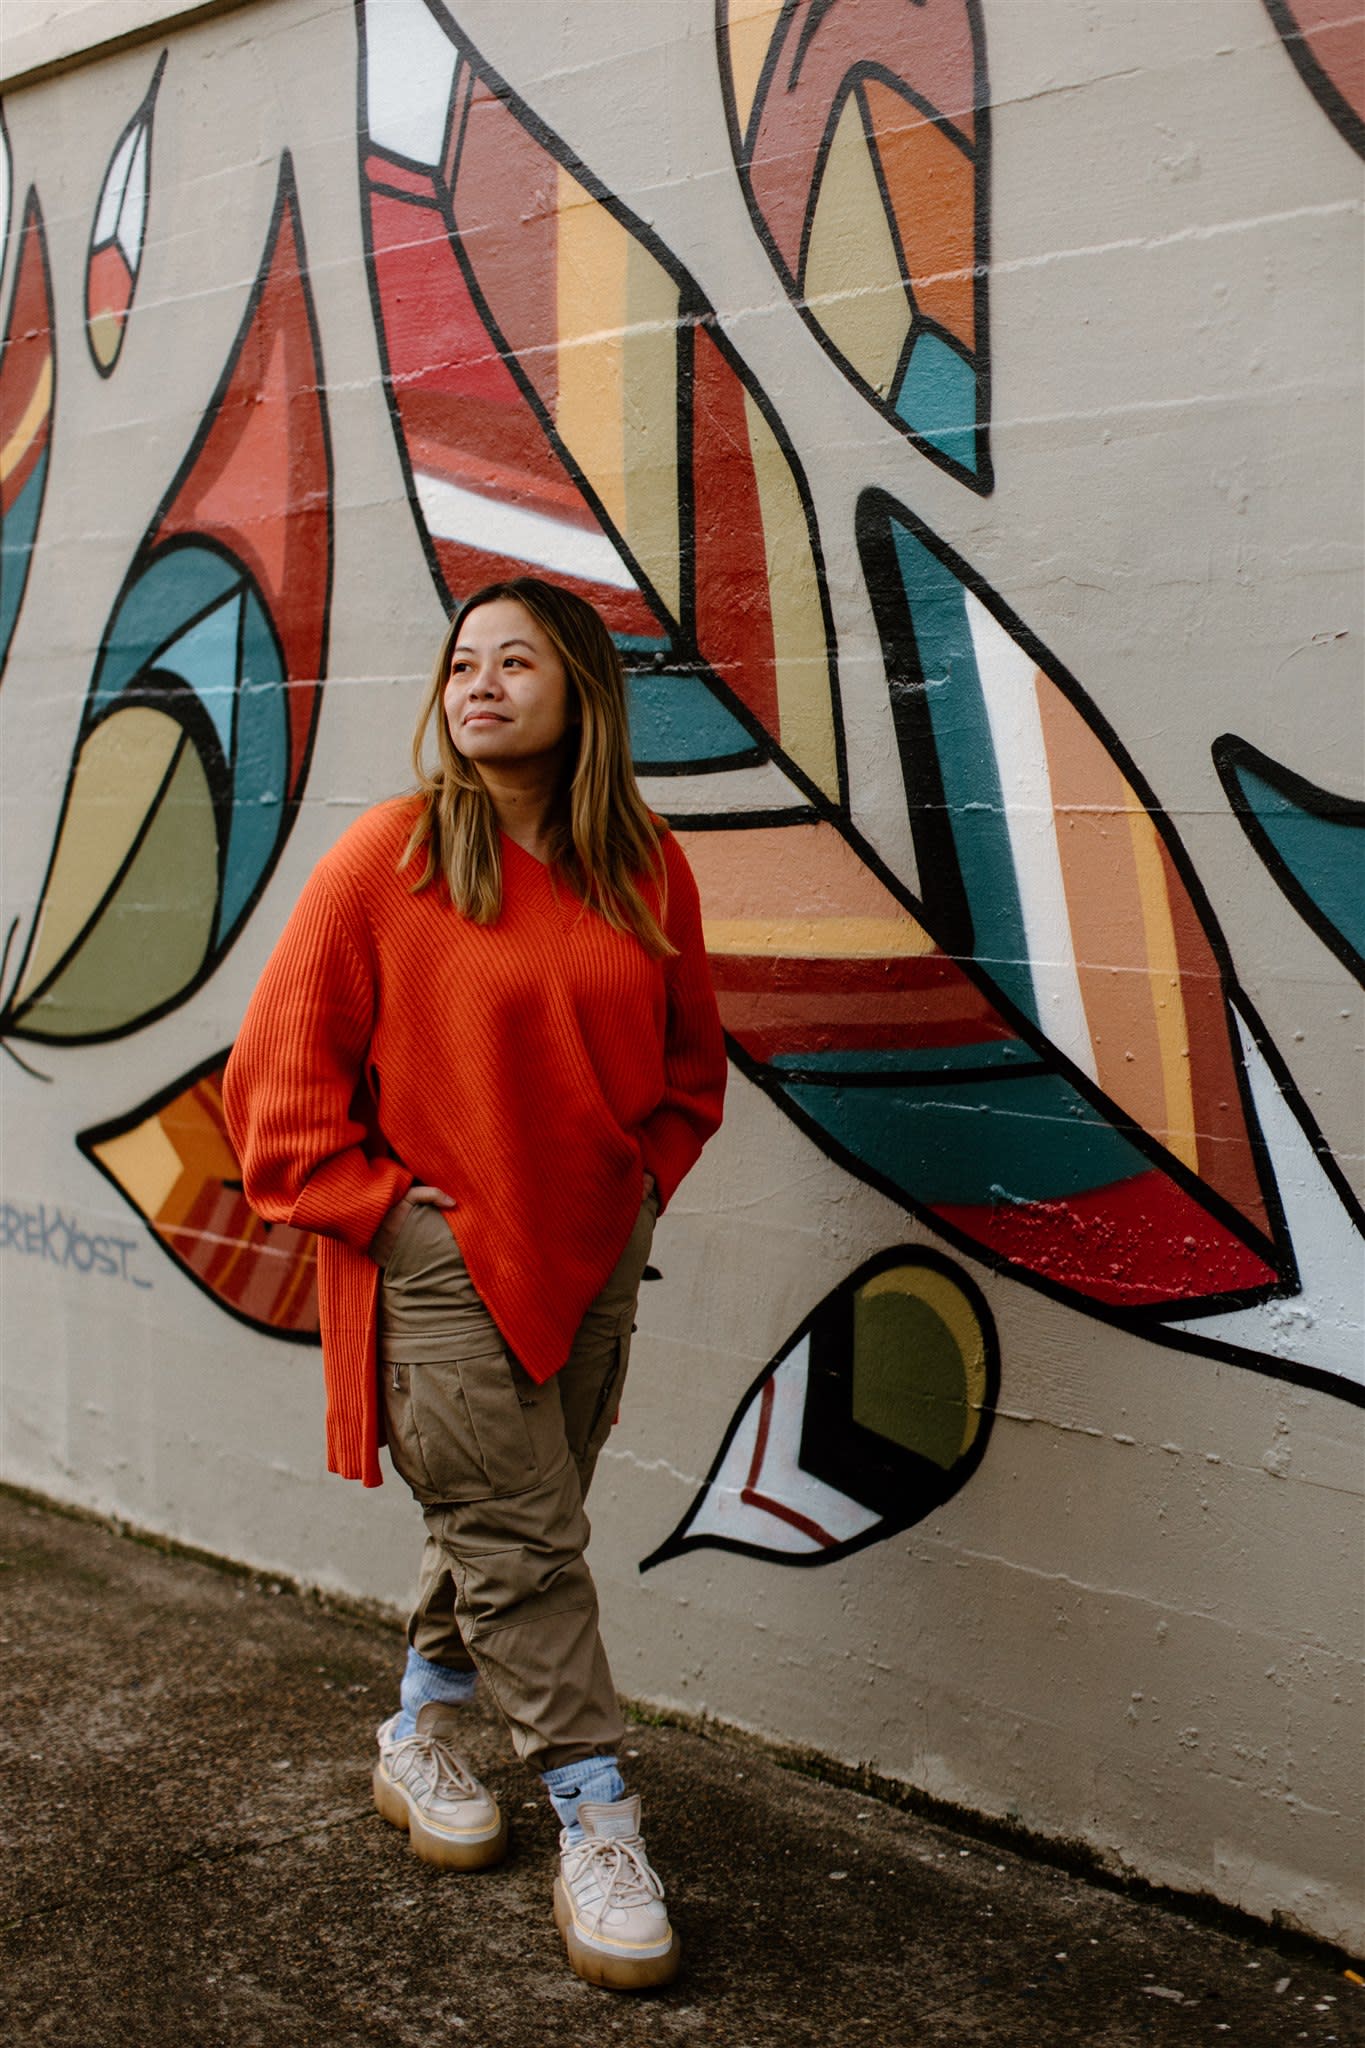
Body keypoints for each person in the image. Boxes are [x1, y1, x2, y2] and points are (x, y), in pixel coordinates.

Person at [223, 577, 726, 1991]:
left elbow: (691, 1070)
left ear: (580, 694)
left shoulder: (642, 866)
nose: (480, 681)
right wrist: (383, 1219)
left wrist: (640, 1185)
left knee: (518, 1522)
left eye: (516, 660)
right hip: (439, 1267)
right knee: (527, 1547)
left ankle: (426, 1726)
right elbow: (274, 1092)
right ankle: (597, 1816)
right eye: (461, 661)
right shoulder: (384, 860)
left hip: (594, 1256)